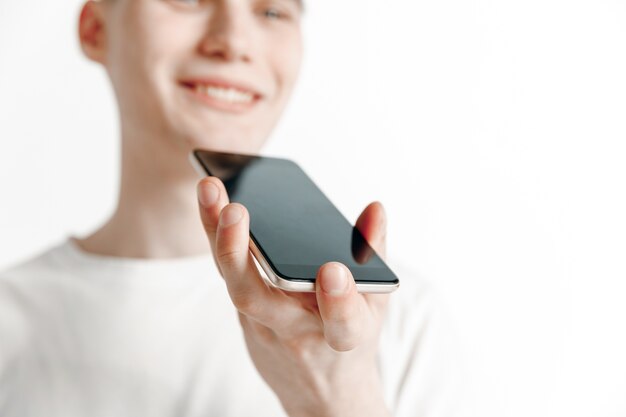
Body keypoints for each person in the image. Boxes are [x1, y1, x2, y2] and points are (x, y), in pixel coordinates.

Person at [0, 0, 467, 416]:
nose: (234, 42)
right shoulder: (11, 321)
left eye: (272, 11)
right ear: (95, 28)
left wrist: (336, 400)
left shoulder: (398, 321)